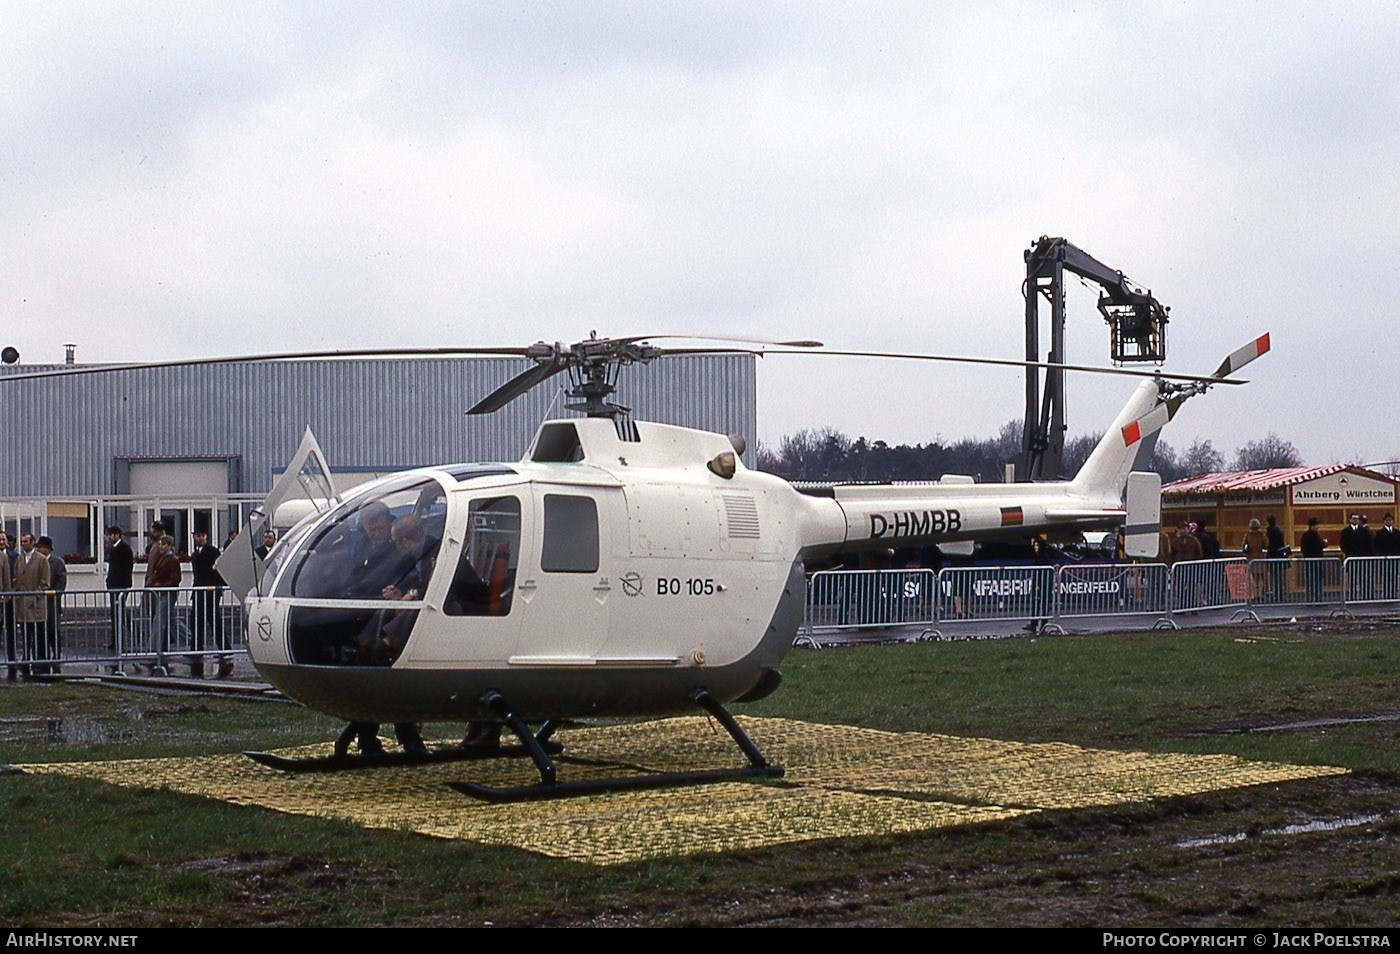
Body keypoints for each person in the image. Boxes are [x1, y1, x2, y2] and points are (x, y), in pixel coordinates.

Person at [12, 533, 50, 679]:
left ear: (33, 543)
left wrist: (35, 595)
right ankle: (26, 658)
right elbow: (16, 579)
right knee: (25, 634)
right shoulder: (19, 559)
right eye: (21, 542)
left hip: (36, 606)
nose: (23, 544)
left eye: (26, 541)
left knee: (38, 634)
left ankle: (39, 661)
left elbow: (45, 582)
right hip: (22, 605)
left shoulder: (41, 560)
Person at [144, 534, 182, 674]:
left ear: (169, 546)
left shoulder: (173, 559)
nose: (160, 546)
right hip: (161, 593)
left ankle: (152, 650)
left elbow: (176, 579)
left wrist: (161, 585)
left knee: (159, 622)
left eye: (163, 544)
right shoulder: (163, 558)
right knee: (171, 621)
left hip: (167, 594)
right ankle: (192, 640)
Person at [188, 530, 223, 678]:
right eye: (197, 536)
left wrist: (217, 589)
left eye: (202, 535)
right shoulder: (196, 553)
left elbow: (219, 571)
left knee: (214, 620)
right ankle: (196, 648)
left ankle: (224, 648)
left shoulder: (212, 552)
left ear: (206, 537)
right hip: (199, 591)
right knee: (196, 621)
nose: (200, 538)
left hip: (210, 591)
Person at [104, 526, 134, 672]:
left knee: (119, 612)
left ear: (117, 535)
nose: (109, 538)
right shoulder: (114, 549)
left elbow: (124, 568)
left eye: (111, 535)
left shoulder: (124, 549)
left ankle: (125, 637)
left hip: (120, 585)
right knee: (116, 612)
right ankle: (117, 639)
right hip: (114, 585)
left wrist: (118, 583)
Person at [35, 537, 66, 675]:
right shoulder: (36, 562)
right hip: (38, 604)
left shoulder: (57, 563)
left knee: (53, 630)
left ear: (47, 548)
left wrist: (52, 594)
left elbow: (61, 581)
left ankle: (56, 655)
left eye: (40, 547)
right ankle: (43, 657)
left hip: (52, 603)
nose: (38, 549)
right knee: (41, 632)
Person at [1301, 517, 1328, 603]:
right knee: (1317, 581)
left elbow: (1303, 549)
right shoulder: (1315, 535)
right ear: (1312, 526)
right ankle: (1318, 599)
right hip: (1316, 560)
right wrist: (1324, 543)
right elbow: (1320, 545)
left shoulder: (1305, 535)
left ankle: (1310, 599)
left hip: (1309, 560)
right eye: (1316, 525)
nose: (1318, 527)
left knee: (1311, 581)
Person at [0, 532, 15, 681]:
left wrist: (8, 594)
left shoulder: (5, 557)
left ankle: (11, 660)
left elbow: (6, 577)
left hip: (3, 601)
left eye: (3, 539)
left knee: (8, 629)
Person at [1264, 515, 1288, 603]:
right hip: (1279, 556)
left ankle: (1277, 596)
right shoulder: (1278, 530)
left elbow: (1271, 545)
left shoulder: (1270, 531)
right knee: (1279, 578)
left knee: (1275, 578)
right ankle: (1280, 595)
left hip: (1273, 556)